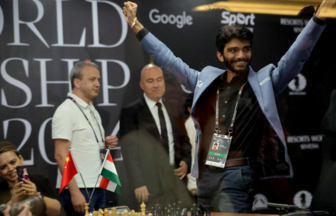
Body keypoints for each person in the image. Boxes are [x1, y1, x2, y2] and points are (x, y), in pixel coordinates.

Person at [122, 0, 336, 213]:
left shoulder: (264, 82)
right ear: (220, 55)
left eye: (246, 49)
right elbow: (167, 59)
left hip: (238, 173)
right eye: (233, 50)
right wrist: (135, 25)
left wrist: (319, 19)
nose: (241, 55)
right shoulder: (203, 81)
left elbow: (295, 56)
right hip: (206, 176)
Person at [120, 64, 192, 208]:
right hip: (149, 186)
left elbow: (184, 140)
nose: (156, 85)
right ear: (142, 85)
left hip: (176, 182)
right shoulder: (131, 112)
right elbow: (129, 154)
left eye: (159, 80)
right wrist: (138, 183)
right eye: (150, 81)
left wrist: (186, 161)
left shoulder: (174, 107)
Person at [52, 61, 118, 215]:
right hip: (79, 188)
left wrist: (103, 143)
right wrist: (74, 192)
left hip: (98, 185)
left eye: (98, 80)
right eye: (92, 79)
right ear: (77, 82)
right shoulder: (66, 111)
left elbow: (84, 143)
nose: (98, 84)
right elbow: (60, 155)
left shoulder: (92, 109)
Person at [0, 141, 61, 216]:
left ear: (21, 159)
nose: (10, 168)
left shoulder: (40, 181)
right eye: (3, 167)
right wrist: (13, 201)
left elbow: (57, 211)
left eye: (13, 162)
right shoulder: (1, 191)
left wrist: (36, 196)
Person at [184, 95, 198, 198]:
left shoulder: (201, 123)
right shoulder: (191, 125)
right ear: (189, 109)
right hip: (198, 183)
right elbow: (191, 154)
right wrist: (193, 183)